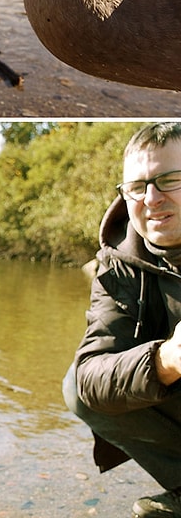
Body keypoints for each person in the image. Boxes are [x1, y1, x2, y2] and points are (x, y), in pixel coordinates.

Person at [63, 122, 181, 518]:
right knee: (75, 388)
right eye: (137, 187)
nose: (152, 198)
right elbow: (90, 377)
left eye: (170, 180)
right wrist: (166, 360)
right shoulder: (117, 265)